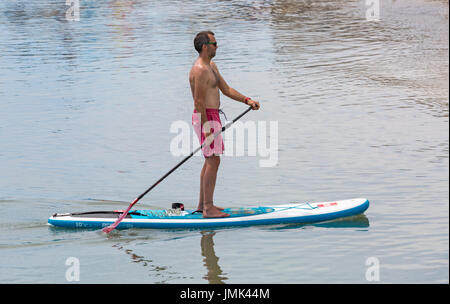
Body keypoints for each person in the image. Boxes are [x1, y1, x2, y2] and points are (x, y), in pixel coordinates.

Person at [189, 31, 260, 218]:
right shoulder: (200, 69)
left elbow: (226, 89)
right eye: (214, 43)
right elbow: (198, 102)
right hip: (205, 117)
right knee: (214, 159)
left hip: (212, 116)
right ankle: (208, 208)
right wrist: (207, 129)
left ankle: (202, 205)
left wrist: (247, 100)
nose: (217, 46)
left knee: (210, 159)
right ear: (205, 46)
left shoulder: (211, 66)